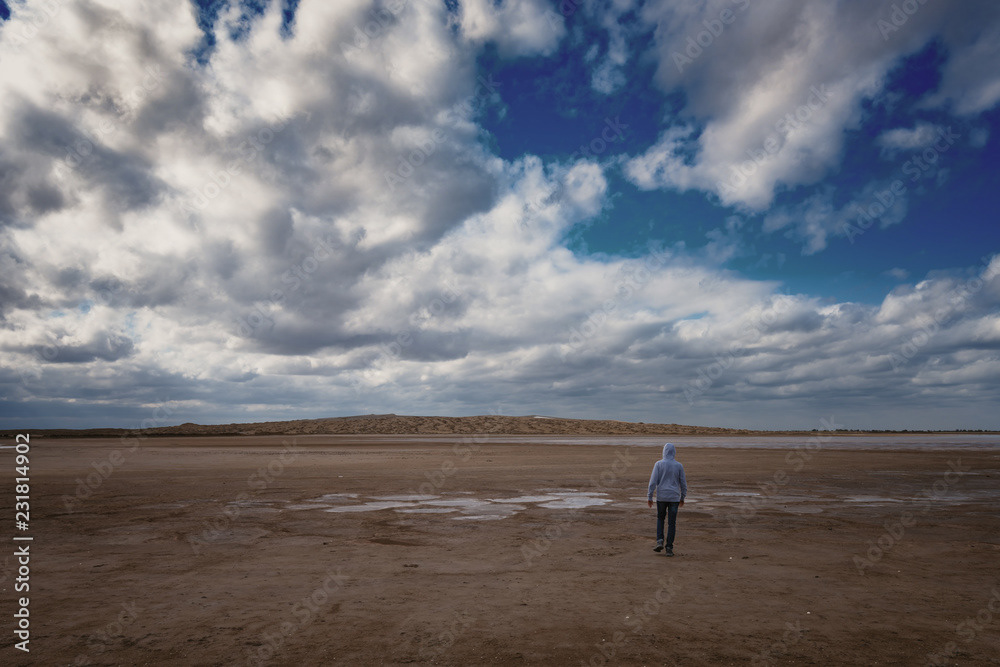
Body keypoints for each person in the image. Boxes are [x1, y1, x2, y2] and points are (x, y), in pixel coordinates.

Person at [647, 443, 686, 557]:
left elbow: (653, 482)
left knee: (660, 518)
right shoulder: (678, 465)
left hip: (662, 497)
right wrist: (682, 497)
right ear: (674, 452)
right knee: (671, 523)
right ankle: (669, 548)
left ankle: (660, 541)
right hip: (674, 497)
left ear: (664, 451)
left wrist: (650, 496)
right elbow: (683, 483)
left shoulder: (658, 464)